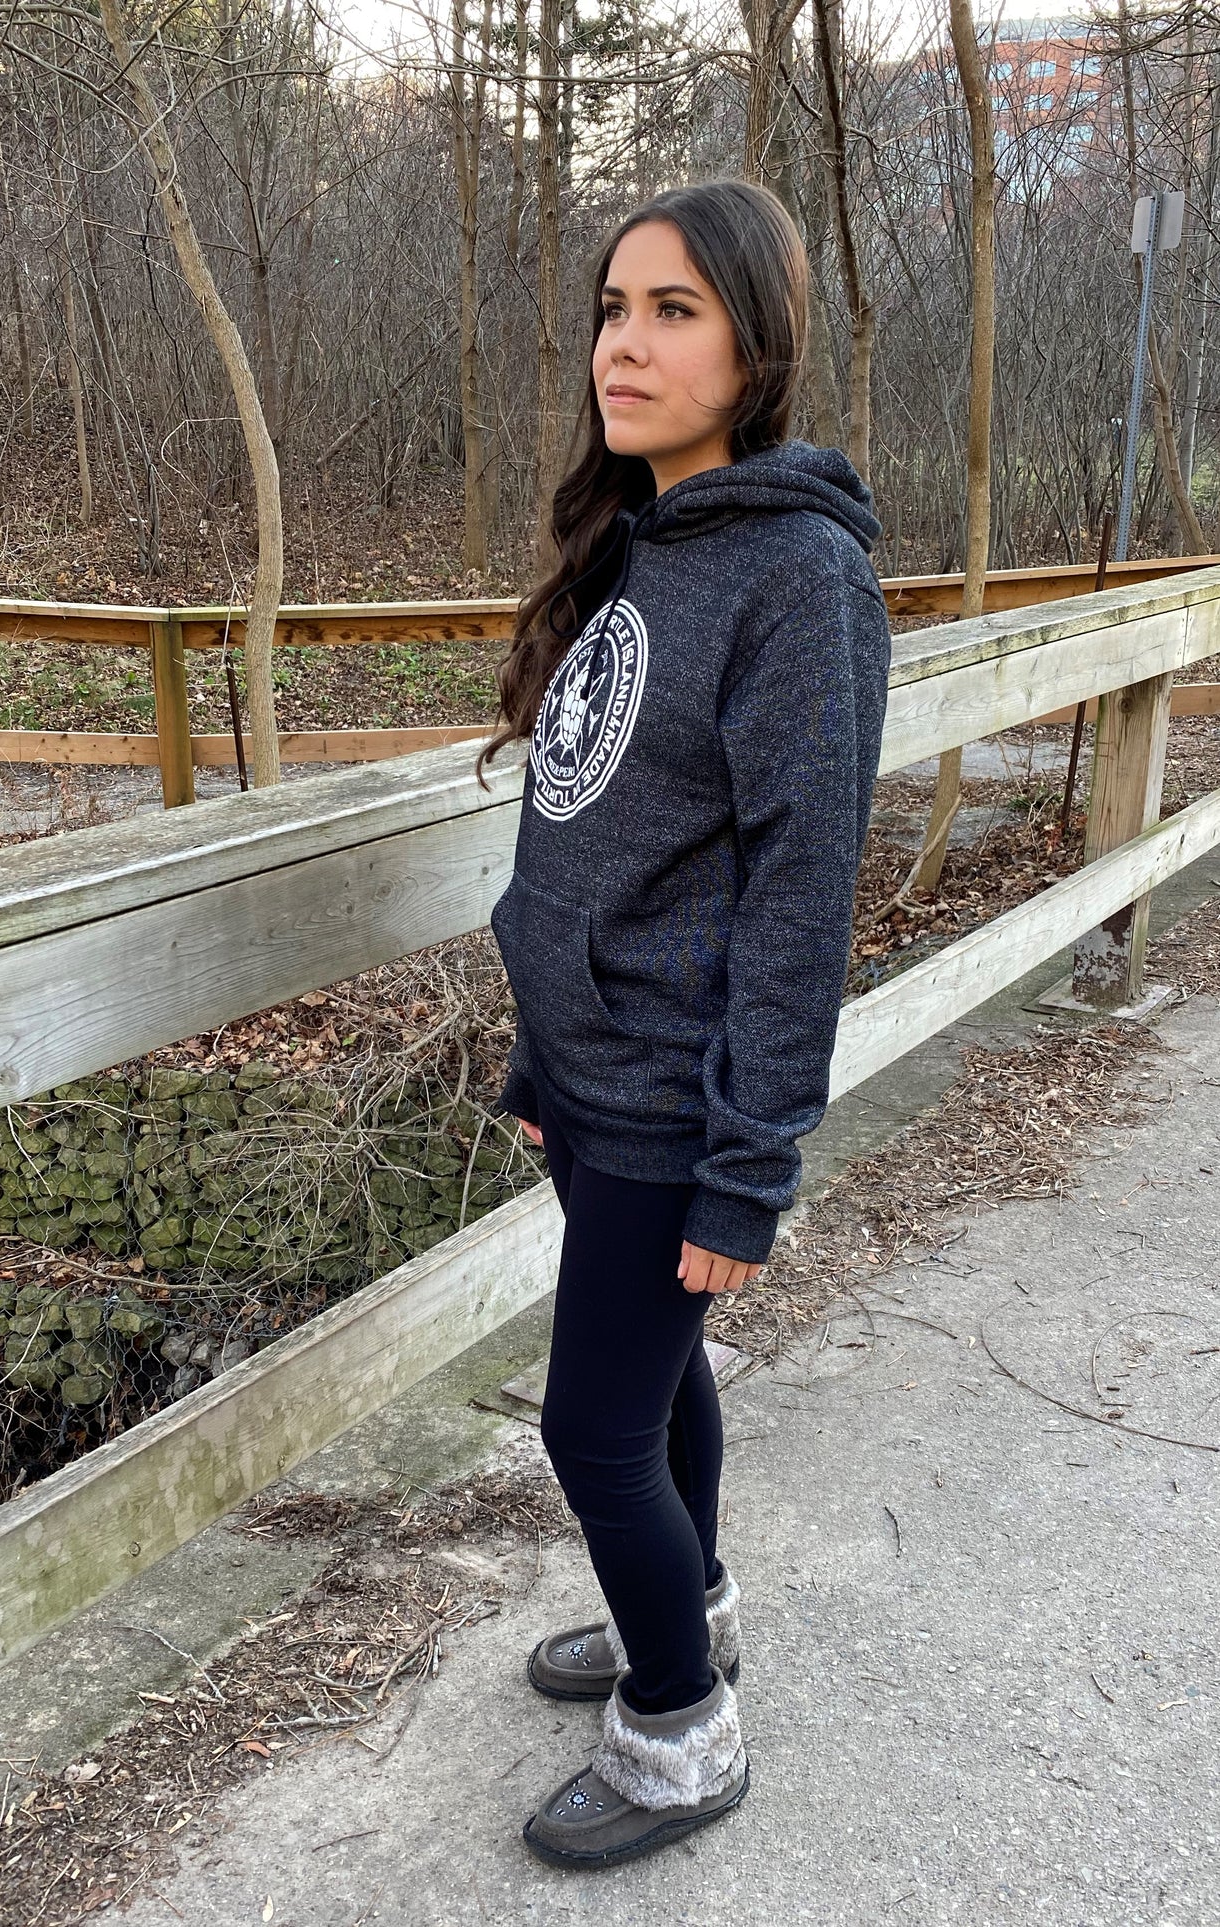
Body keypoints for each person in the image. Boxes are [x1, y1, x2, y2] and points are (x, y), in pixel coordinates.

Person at [477, 179, 892, 1867]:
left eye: (673, 312)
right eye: (610, 307)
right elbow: (585, 840)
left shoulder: (798, 578)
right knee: (654, 1392)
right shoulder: (645, 542)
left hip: (675, 1096)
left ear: (755, 343)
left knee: (590, 1429)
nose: (621, 346)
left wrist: (749, 1169)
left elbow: (803, 895)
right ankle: (690, 1612)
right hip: (591, 1080)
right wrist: (533, 1058)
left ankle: (677, 1736)